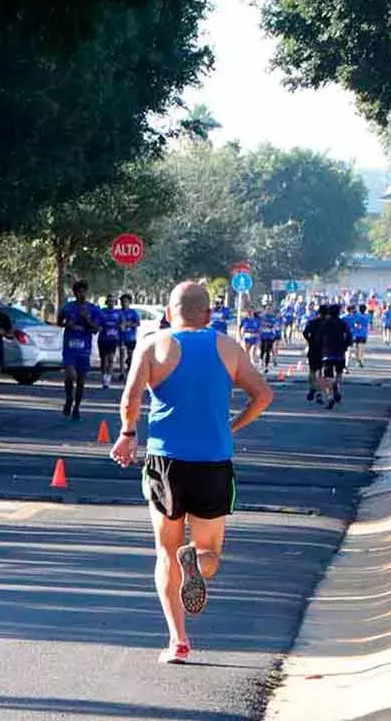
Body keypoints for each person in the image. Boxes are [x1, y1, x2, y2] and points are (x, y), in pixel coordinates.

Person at [110, 281, 273, 665]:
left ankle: (178, 642)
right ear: (208, 314)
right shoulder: (228, 347)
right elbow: (263, 395)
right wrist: (231, 426)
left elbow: (130, 397)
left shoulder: (152, 344)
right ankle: (197, 565)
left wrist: (127, 435)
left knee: (165, 551)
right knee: (209, 551)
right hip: (213, 462)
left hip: (165, 462)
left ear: (168, 313)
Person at [57, 281, 102, 419]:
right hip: (70, 348)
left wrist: (86, 319)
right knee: (70, 375)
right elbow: (59, 322)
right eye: (78, 292)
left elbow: (97, 329)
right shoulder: (68, 307)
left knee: (81, 380)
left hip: (84, 349)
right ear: (74, 293)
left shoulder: (93, 309)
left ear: (86, 292)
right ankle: (69, 398)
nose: (81, 294)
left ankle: (76, 407)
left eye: (83, 292)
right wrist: (66, 324)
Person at [316, 304, 353, 409]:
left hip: (326, 353)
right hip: (340, 353)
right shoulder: (343, 324)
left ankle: (330, 396)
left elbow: (318, 338)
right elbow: (349, 337)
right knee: (339, 373)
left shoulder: (324, 324)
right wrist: (345, 346)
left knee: (327, 376)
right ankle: (337, 385)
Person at [97, 295, 123, 389]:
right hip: (103, 338)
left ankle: (108, 379)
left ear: (115, 303)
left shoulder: (118, 313)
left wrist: (121, 327)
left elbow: (122, 324)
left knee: (111, 359)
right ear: (106, 302)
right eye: (110, 301)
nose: (111, 303)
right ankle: (103, 376)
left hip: (113, 339)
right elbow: (97, 323)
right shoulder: (102, 311)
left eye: (113, 301)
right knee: (104, 360)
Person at [302, 305, 327, 404]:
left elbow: (305, 332)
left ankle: (312, 388)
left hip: (313, 349)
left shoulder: (312, 322)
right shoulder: (328, 324)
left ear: (318, 313)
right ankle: (319, 393)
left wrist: (310, 341)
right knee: (321, 372)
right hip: (325, 350)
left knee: (312, 371)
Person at [118, 294, 141, 374]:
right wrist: (119, 325)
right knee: (121, 355)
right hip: (121, 337)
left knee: (130, 355)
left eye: (126, 301)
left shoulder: (133, 312)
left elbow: (138, 323)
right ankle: (122, 373)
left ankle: (129, 370)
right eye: (122, 302)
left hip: (131, 338)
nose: (124, 303)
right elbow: (115, 323)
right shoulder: (118, 312)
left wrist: (128, 324)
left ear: (129, 302)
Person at [258, 307, 281, 372]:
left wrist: (268, 325)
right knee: (262, 350)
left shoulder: (273, 317)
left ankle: (266, 366)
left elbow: (274, 325)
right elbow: (260, 323)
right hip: (263, 335)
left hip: (270, 336)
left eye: (270, 309)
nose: (269, 311)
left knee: (268, 351)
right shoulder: (262, 317)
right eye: (267, 309)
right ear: (265, 310)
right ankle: (261, 360)